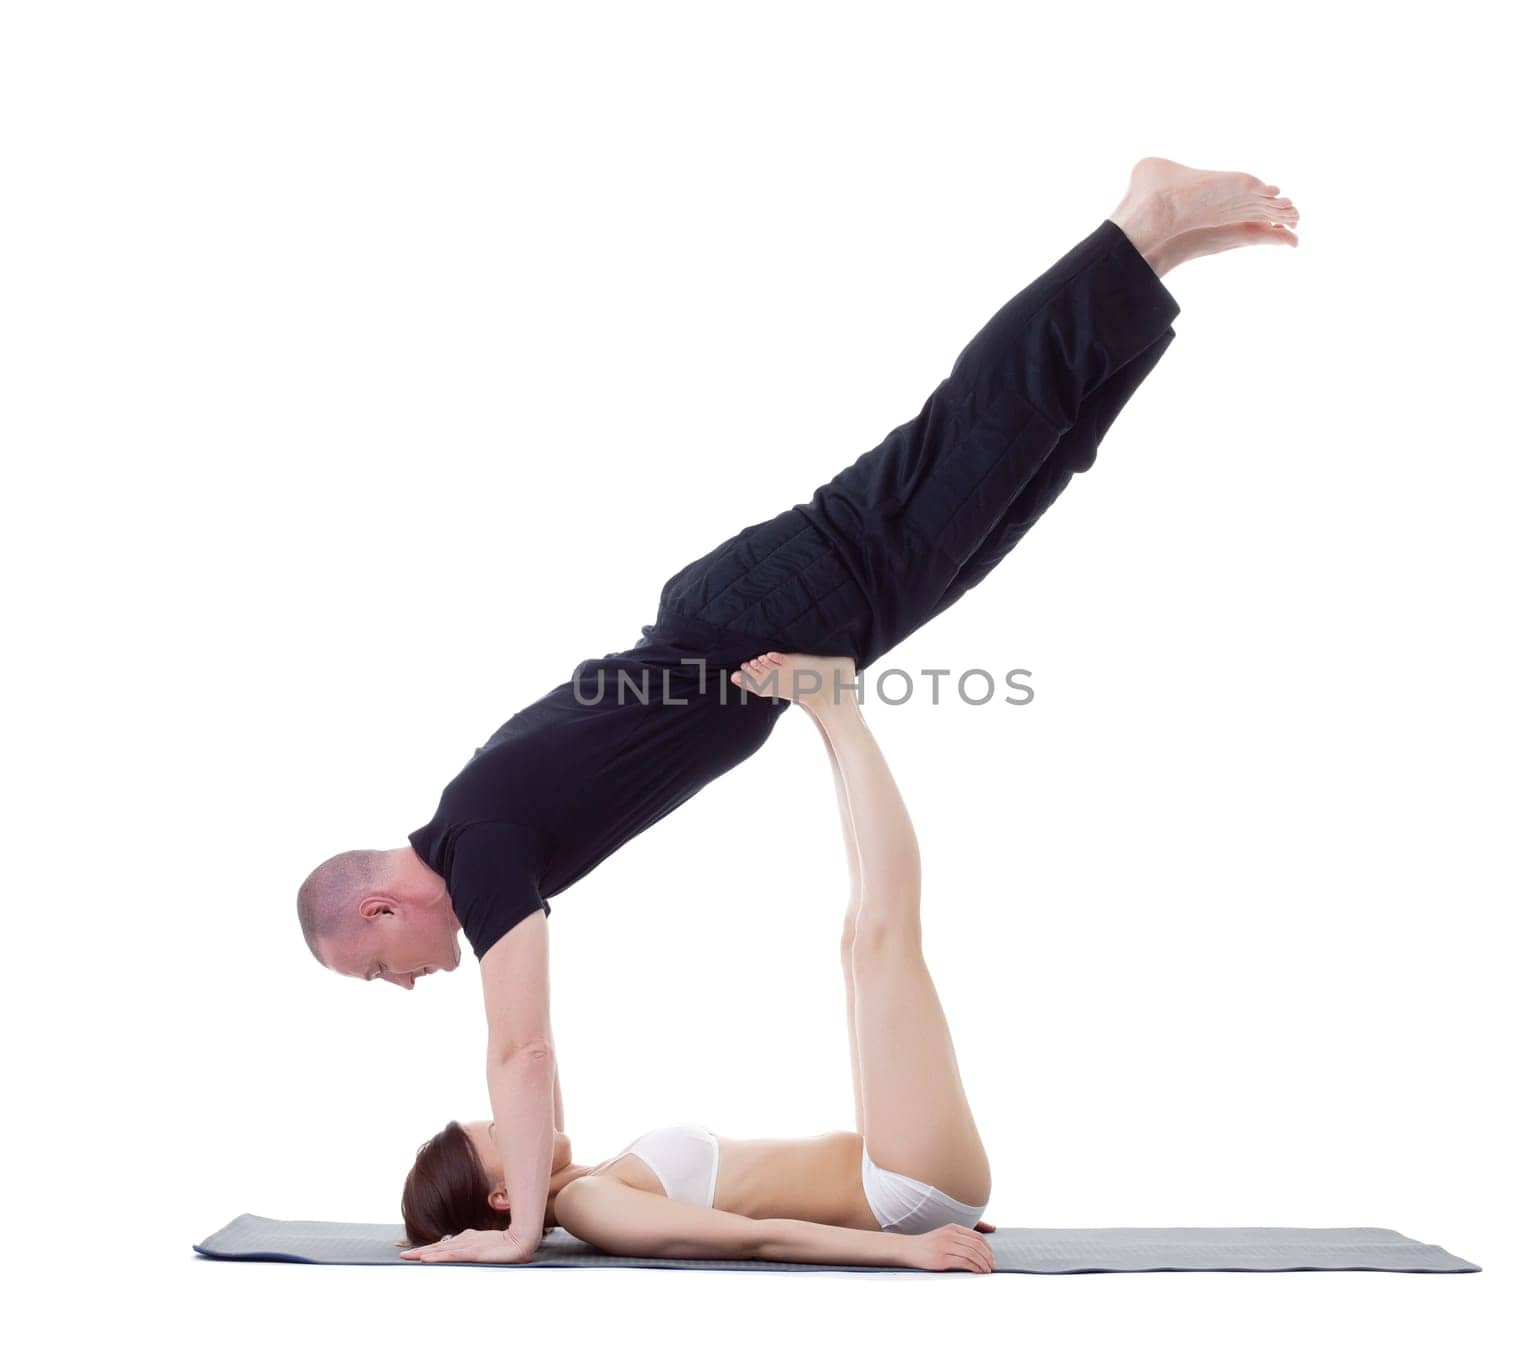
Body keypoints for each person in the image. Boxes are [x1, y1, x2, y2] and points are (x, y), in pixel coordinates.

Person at [300, 157, 1298, 1263]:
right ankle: (1149, 258)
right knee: (1019, 473)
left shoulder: (478, 850)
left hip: (759, 620)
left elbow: (520, 1051)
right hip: (765, 630)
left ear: (385, 909)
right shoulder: (481, 824)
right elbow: (529, 1062)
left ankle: (1138, 219)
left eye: (378, 969)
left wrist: (519, 1229)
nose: (404, 984)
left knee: (960, 446)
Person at [403, 652, 1001, 1271]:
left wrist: (496, 899)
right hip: (901, 1195)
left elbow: (531, 1045)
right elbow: (755, 1238)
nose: (513, 1118)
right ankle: (836, 708)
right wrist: (907, 1248)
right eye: (501, 1130)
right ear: (503, 1196)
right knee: (883, 935)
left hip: (903, 1179)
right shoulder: (589, 1204)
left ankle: (827, 711)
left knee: (862, 940)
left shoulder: (598, 1176)